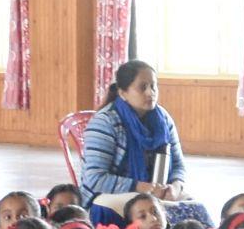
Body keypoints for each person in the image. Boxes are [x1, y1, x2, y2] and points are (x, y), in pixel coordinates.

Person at [79, 61, 188, 214]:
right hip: (109, 196)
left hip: (154, 193)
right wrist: (142, 187)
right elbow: (95, 179)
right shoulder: (105, 122)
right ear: (123, 93)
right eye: (143, 87)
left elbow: (178, 164)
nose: (150, 93)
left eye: (153, 86)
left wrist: (175, 187)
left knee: (195, 209)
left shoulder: (163, 119)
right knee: (151, 215)